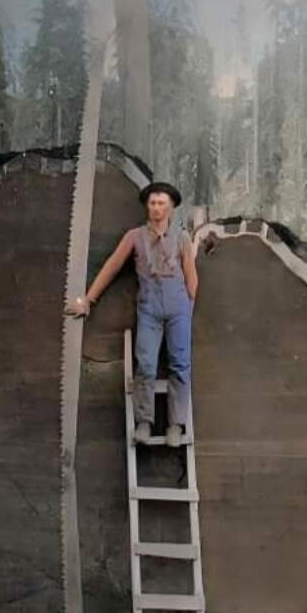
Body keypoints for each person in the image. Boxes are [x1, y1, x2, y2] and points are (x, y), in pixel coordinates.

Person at [66, 182, 198, 446]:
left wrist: (187, 310)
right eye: (152, 203)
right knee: (146, 364)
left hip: (178, 308)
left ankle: (175, 425)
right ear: (146, 206)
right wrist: (88, 300)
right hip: (149, 308)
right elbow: (112, 267)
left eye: (161, 203)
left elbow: (192, 278)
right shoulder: (134, 236)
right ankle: (144, 423)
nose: (156, 208)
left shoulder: (181, 238)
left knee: (180, 364)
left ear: (170, 207)